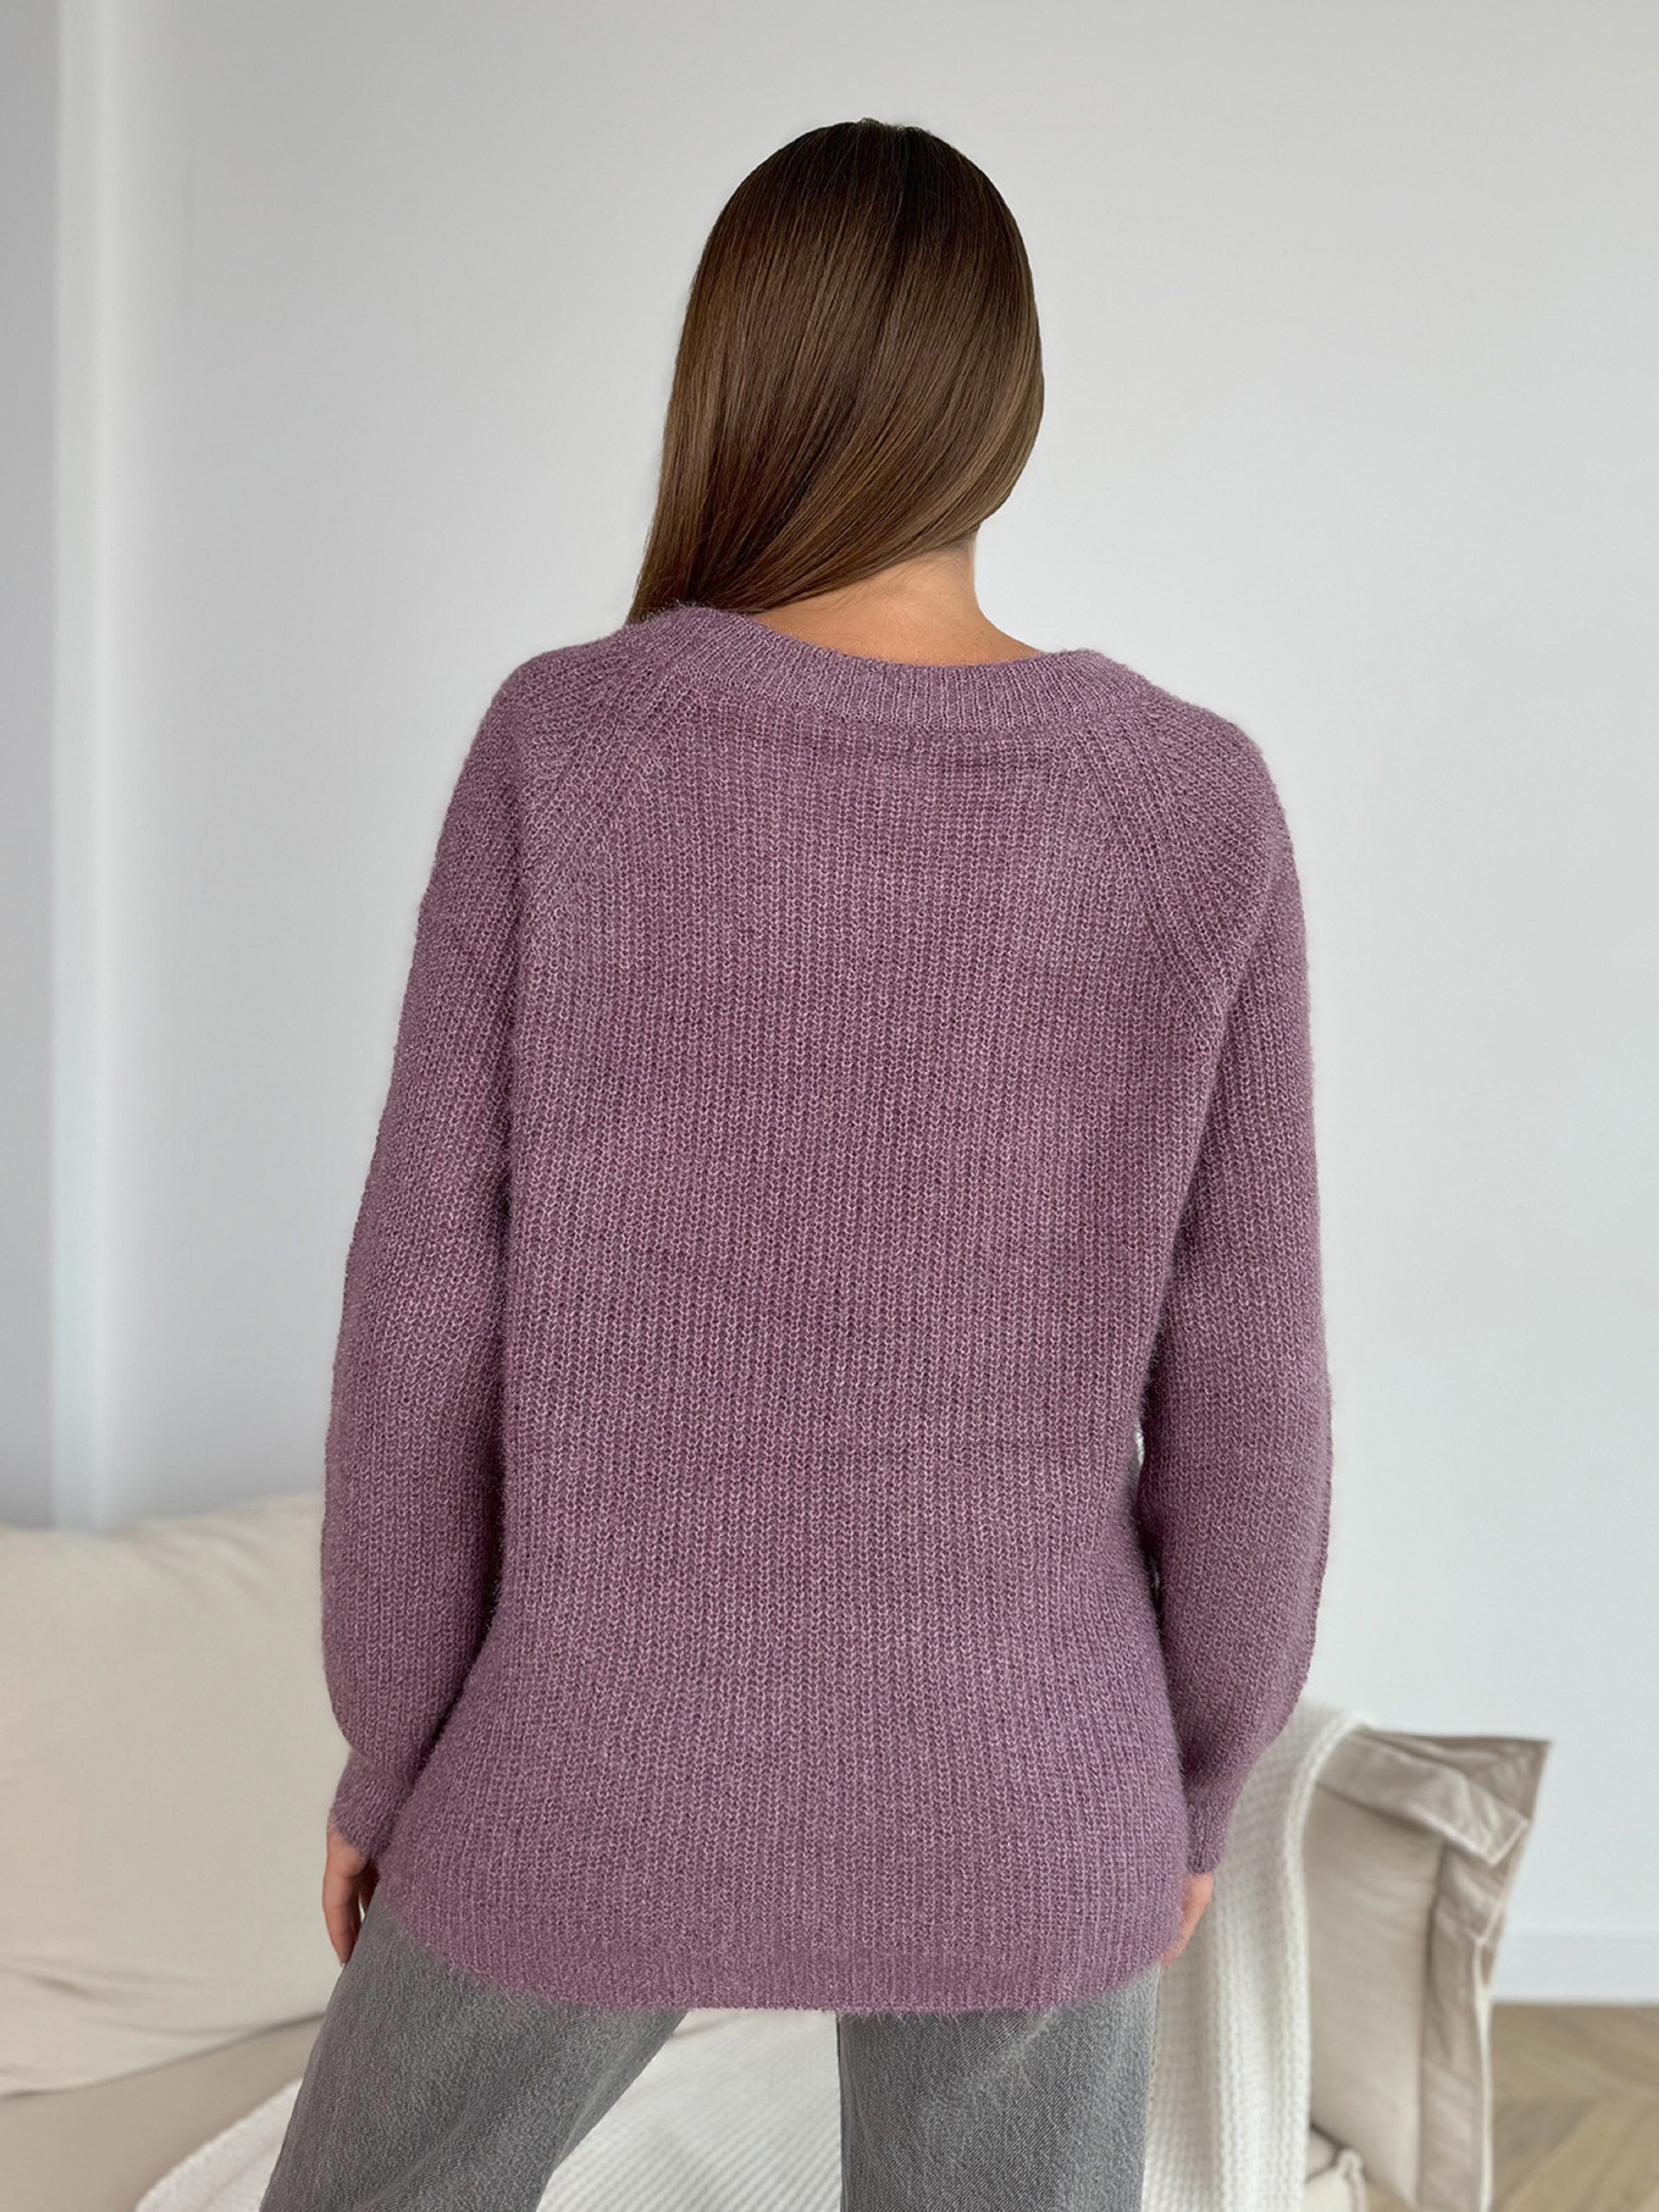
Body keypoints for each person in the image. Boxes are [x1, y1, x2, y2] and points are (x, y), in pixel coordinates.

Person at [261, 115, 1331, 2212]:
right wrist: (1194, 1777)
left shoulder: (568, 748)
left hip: (585, 1761)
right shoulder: (1188, 803)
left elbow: (421, 1314)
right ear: (1005, 407)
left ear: (729, 380)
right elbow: (1251, 1382)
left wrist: (391, 1749)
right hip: (1026, 1771)